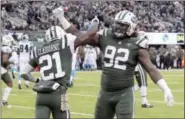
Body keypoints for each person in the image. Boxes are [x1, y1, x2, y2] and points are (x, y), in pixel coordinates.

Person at [54, 7, 174, 119]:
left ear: (131, 27)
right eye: (117, 23)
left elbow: (151, 69)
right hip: (105, 93)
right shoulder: (106, 36)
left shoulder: (137, 44)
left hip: (124, 94)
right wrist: (61, 18)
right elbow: (79, 34)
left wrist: (165, 88)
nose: (118, 27)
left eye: (122, 25)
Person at [20, 24, 98, 119]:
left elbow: (24, 73)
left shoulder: (39, 50)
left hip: (41, 95)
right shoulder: (65, 42)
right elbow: (88, 35)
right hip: (58, 93)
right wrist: (95, 24)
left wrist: (37, 80)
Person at [1, 35, 16, 107]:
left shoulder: (3, 48)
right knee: (9, 83)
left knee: (10, 83)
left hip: (3, 69)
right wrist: (12, 62)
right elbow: (5, 61)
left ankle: (4, 101)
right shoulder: (6, 48)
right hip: (1, 68)